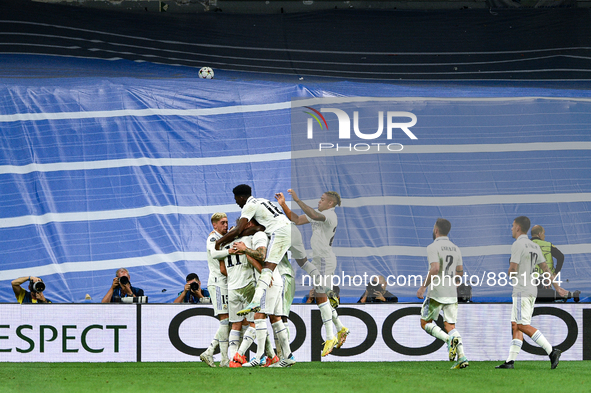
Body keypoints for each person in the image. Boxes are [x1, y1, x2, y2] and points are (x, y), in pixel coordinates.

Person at [214, 184, 307, 322]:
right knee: (304, 264)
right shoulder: (264, 207)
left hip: (279, 274)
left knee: (269, 317)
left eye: (236, 199)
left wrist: (221, 241)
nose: (236, 202)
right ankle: (326, 290)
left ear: (240, 197)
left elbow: (258, 252)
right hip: (291, 232)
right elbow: (256, 228)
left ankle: (256, 301)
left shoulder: (259, 230)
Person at [275, 189, 349, 357]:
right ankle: (341, 328)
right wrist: (284, 205)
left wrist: (298, 200)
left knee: (320, 296)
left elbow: (314, 216)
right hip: (318, 260)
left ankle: (330, 337)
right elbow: (297, 219)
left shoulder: (330, 215)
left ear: (330, 203)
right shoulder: (319, 213)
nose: (319, 201)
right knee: (321, 297)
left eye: (322, 199)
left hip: (324, 259)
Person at [496, 216, 567, 370]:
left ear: (518, 228)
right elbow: (546, 268)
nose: (511, 228)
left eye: (513, 225)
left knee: (521, 325)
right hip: (531, 289)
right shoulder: (534, 247)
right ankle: (510, 362)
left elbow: (513, 269)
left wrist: (510, 274)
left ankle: (551, 351)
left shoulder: (517, 245)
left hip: (522, 290)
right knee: (516, 325)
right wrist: (557, 287)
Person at [228, 220, 296, 368]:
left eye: (244, 224)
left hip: (268, 279)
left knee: (259, 316)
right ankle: (288, 356)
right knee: (275, 319)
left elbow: (262, 255)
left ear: (251, 223)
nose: (242, 226)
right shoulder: (257, 235)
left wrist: (246, 250)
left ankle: (259, 357)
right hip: (274, 278)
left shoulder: (259, 235)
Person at [417, 218, 468, 369]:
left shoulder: (433, 247)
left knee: (425, 322)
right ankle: (462, 357)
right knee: (450, 325)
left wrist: (423, 287)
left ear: (436, 230)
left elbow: (434, 268)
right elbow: (460, 272)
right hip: (451, 291)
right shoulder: (455, 248)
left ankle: (448, 340)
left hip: (436, 291)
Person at [200, 212, 231, 368]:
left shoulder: (223, 238)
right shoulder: (212, 238)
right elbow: (214, 253)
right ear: (215, 225)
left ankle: (214, 354)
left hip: (225, 282)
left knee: (228, 322)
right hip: (217, 282)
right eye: (222, 223)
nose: (225, 225)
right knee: (225, 321)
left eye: (226, 222)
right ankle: (222, 358)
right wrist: (230, 251)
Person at [530, 225, 580, 303]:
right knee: (548, 296)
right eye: (544, 233)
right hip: (546, 281)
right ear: (539, 234)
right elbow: (561, 257)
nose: (544, 235)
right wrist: (554, 274)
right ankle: (570, 295)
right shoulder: (548, 245)